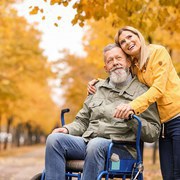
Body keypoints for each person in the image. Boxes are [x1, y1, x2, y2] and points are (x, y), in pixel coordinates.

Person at [45, 44, 160, 180]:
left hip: (121, 149)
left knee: (96, 144)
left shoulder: (142, 92)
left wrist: (131, 119)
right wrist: (66, 129)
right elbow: (82, 121)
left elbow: (153, 132)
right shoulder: (96, 88)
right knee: (54, 140)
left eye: (119, 58)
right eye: (110, 61)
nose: (115, 63)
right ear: (106, 68)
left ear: (128, 62)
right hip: (88, 143)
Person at [88, 26, 180, 180]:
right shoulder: (135, 65)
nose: (128, 42)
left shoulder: (158, 52)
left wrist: (132, 106)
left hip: (177, 117)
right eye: (122, 42)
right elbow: (121, 78)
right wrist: (99, 83)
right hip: (163, 126)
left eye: (130, 37)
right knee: (169, 176)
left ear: (139, 36)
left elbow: (158, 88)